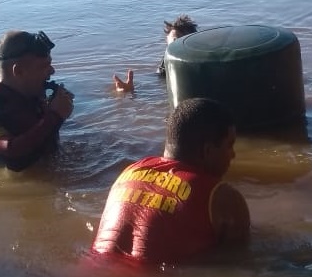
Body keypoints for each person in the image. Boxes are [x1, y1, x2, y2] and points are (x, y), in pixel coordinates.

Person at [91, 97, 250, 266]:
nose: (233, 155)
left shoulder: (128, 172)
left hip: (91, 274)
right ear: (208, 151)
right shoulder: (223, 197)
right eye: (229, 145)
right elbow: (241, 262)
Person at [0, 30, 74, 171]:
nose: (52, 71)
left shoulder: (32, 94)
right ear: (18, 71)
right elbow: (11, 159)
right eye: (43, 66)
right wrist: (56, 115)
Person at [113, 14, 198, 92]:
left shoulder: (199, 60)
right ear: (167, 39)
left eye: (182, 40)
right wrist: (132, 89)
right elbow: (158, 78)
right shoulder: (168, 58)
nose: (177, 44)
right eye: (175, 40)